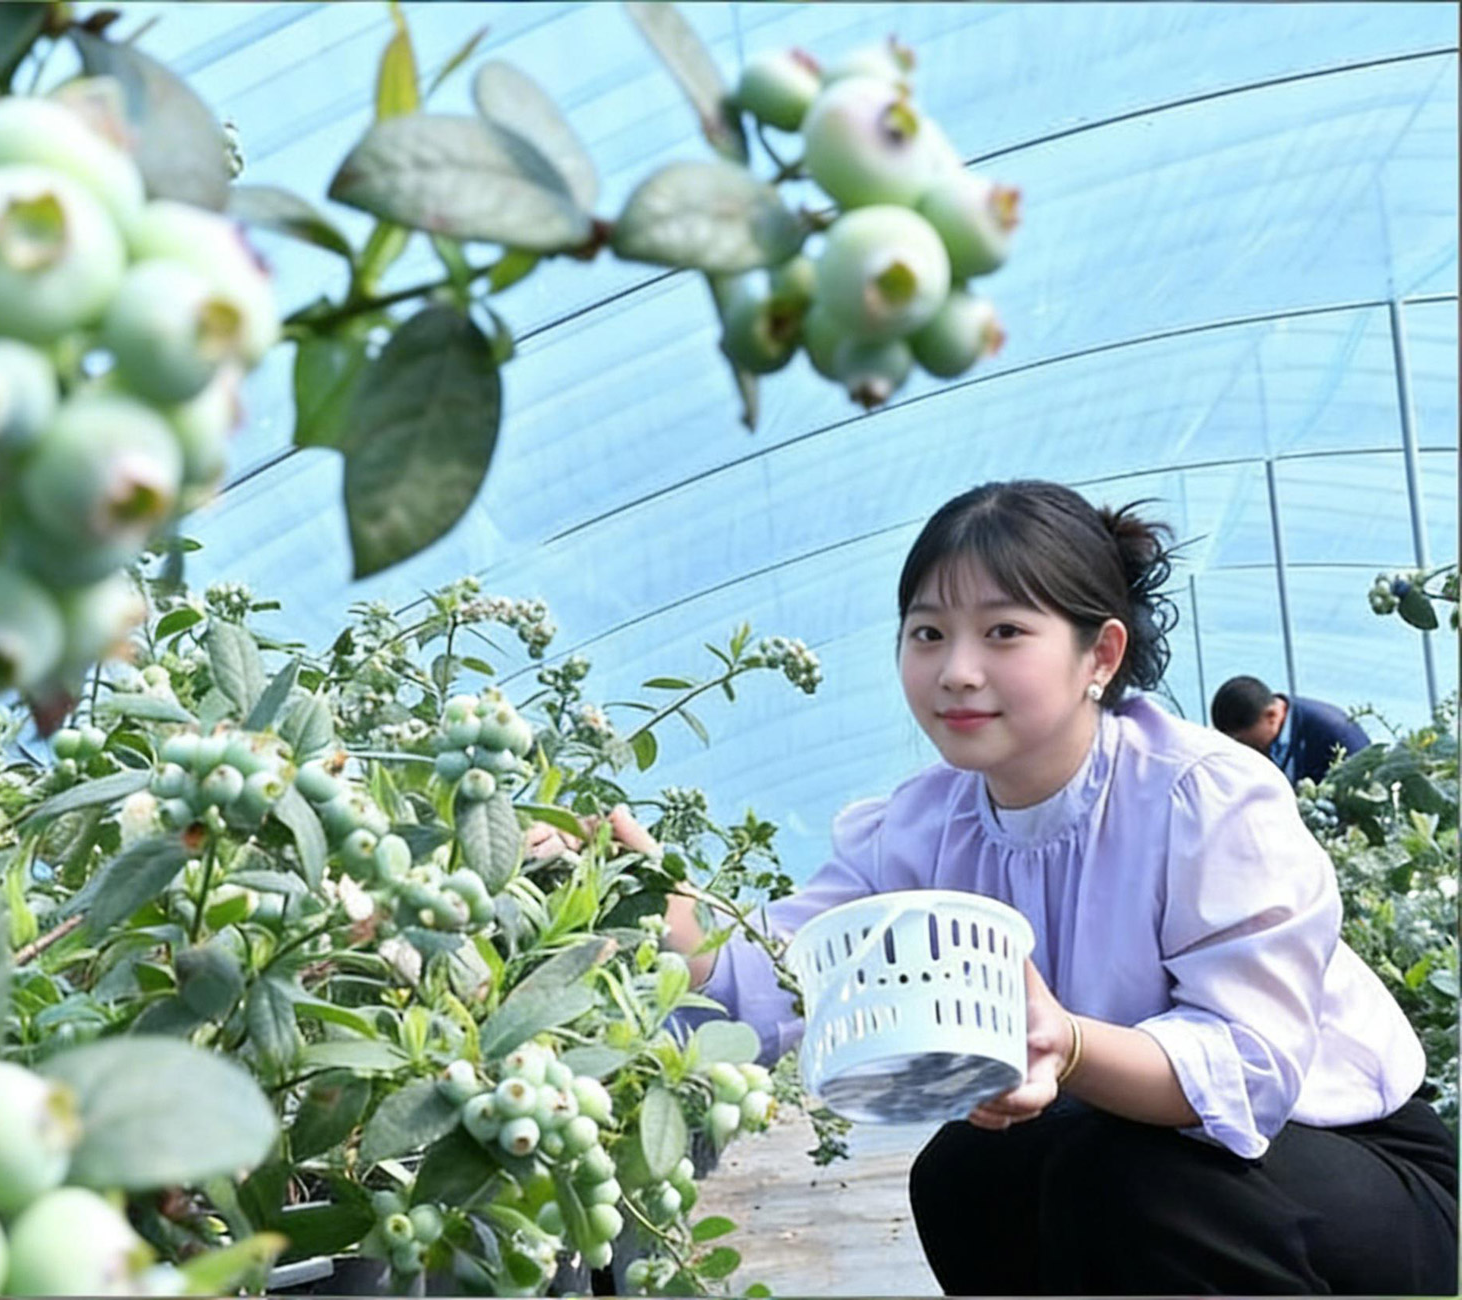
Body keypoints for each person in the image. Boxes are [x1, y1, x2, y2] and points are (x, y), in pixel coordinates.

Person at [532, 481, 1455, 1296]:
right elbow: (783, 969)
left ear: (1100, 655)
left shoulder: (1201, 797)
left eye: (1004, 632)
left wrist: (1068, 1043)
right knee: (964, 1175)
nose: (956, 670)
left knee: (1126, 1180)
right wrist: (649, 903)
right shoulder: (923, 827)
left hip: (1353, 1168)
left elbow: (1248, 1069)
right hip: (1140, 1161)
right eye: (928, 633)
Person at [1210, 674, 1372, 787]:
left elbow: (1367, 787)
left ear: (1271, 715)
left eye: (1241, 741)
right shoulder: (1268, 730)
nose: (1241, 748)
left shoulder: (1335, 732)